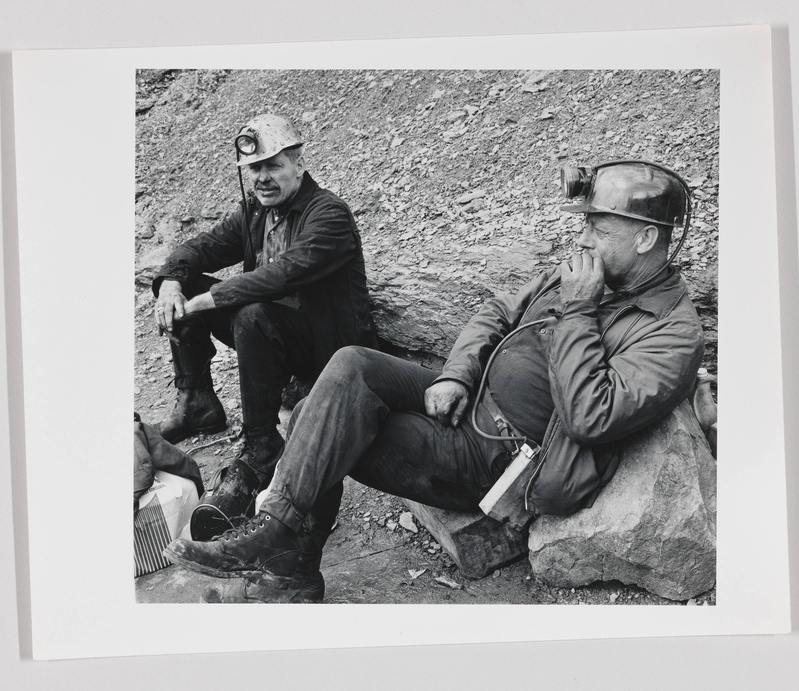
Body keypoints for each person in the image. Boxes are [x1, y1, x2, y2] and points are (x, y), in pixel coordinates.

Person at [164, 160, 705, 603]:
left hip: (498, 455)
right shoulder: (593, 270)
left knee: (317, 418)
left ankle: (289, 561)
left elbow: (593, 416)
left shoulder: (672, 333)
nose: (581, 237)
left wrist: (581, 311)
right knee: (350, 366)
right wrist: (456, 374)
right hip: (466, 402)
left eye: (597, 227)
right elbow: (496, 312)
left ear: (645, 239)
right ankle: (284, 542)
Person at [150, 113, 377, 541]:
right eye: (255, 168)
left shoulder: (328, 214)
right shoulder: (256, 211)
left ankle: (260, 446)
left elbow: (283, 276)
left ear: (298, 163)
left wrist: (205, 301)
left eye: (274, 165)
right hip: (273, 336)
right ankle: (196, 399)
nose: (263, 177)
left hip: (327, 350)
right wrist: (174, 283)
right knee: (188, 288)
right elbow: (201, 247)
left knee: (249, 312)